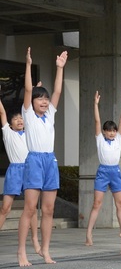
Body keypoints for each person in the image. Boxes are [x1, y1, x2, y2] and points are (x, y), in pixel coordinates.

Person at [17, 47, 68, 266]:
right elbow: (28, 90)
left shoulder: (50, 114)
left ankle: (46, 251)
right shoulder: (28, 113)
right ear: (32, 102)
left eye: (46, 99)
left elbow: (57, 91)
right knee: (30, 208)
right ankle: (21, 252)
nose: (45, 101)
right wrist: (28, 64)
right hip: (34, 160)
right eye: (40, 99)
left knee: (49, 209)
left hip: (50, 161)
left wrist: (60, 68)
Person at [85, 90, 121, 246]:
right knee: (97, 203)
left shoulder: (118, 138)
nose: (112, 133)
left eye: (114, 130)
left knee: (120, 204)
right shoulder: (100, 139)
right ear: (103, 131)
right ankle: (89, 233)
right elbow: (97, 121)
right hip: (103, 171)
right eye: (109, 130)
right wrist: (95, 105)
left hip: (115, 172)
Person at [0, 95, 40, 254]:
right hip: (15, 171)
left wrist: (35, 94)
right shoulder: (8, 133)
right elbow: (2, 113)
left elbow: (32, 113)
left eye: (20, 118)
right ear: (10, 123)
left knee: (32, 208)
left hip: (30, 169)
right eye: (15, 119)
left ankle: (35, 239)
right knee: (5, 208)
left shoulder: (29, 133)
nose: (19, 120)